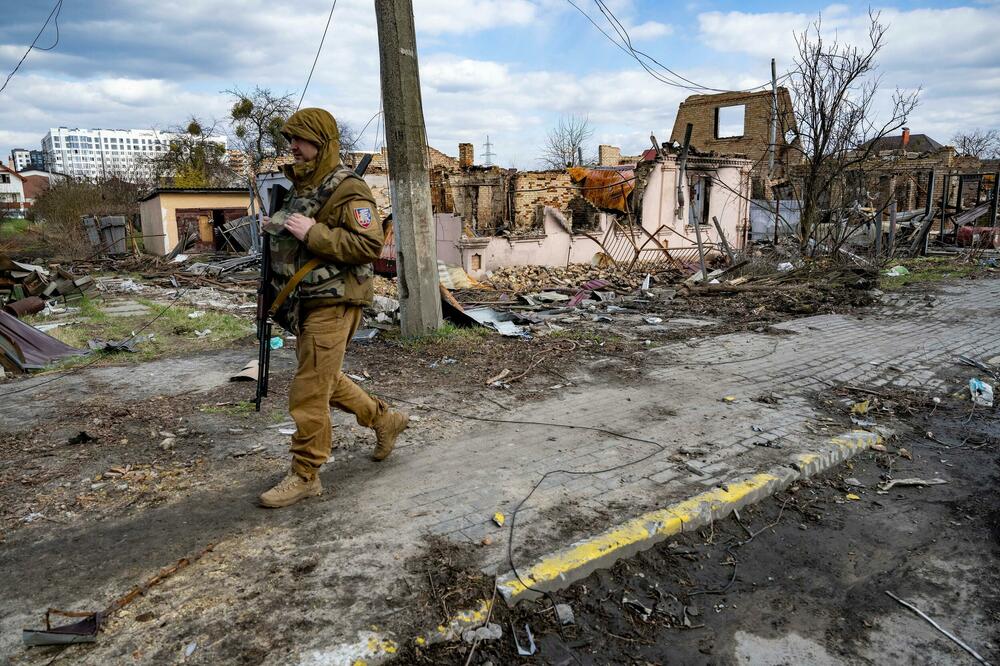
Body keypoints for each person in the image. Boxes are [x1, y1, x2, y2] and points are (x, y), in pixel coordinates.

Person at [258, 107, 408, 509]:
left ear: (321, 143)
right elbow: (297, 233)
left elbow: (368, 245)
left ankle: (306, 474)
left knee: (309, 389)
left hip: (335, 299)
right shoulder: (304, 188)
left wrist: (314, 232)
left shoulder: (349, 189)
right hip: (306, 300)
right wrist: (275, 226)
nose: (293, 147)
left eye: (301, 140)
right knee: (324, 379)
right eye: (291, 140)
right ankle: (384, 419)